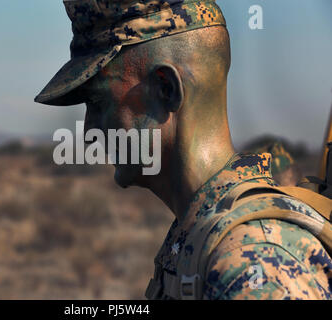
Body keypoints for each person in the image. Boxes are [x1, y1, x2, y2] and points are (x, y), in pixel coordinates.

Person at [35, 0, 332, 300]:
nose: (88, 131)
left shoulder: (253, 264)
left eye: (98, 104)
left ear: (166, 90)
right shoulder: (198, 232)